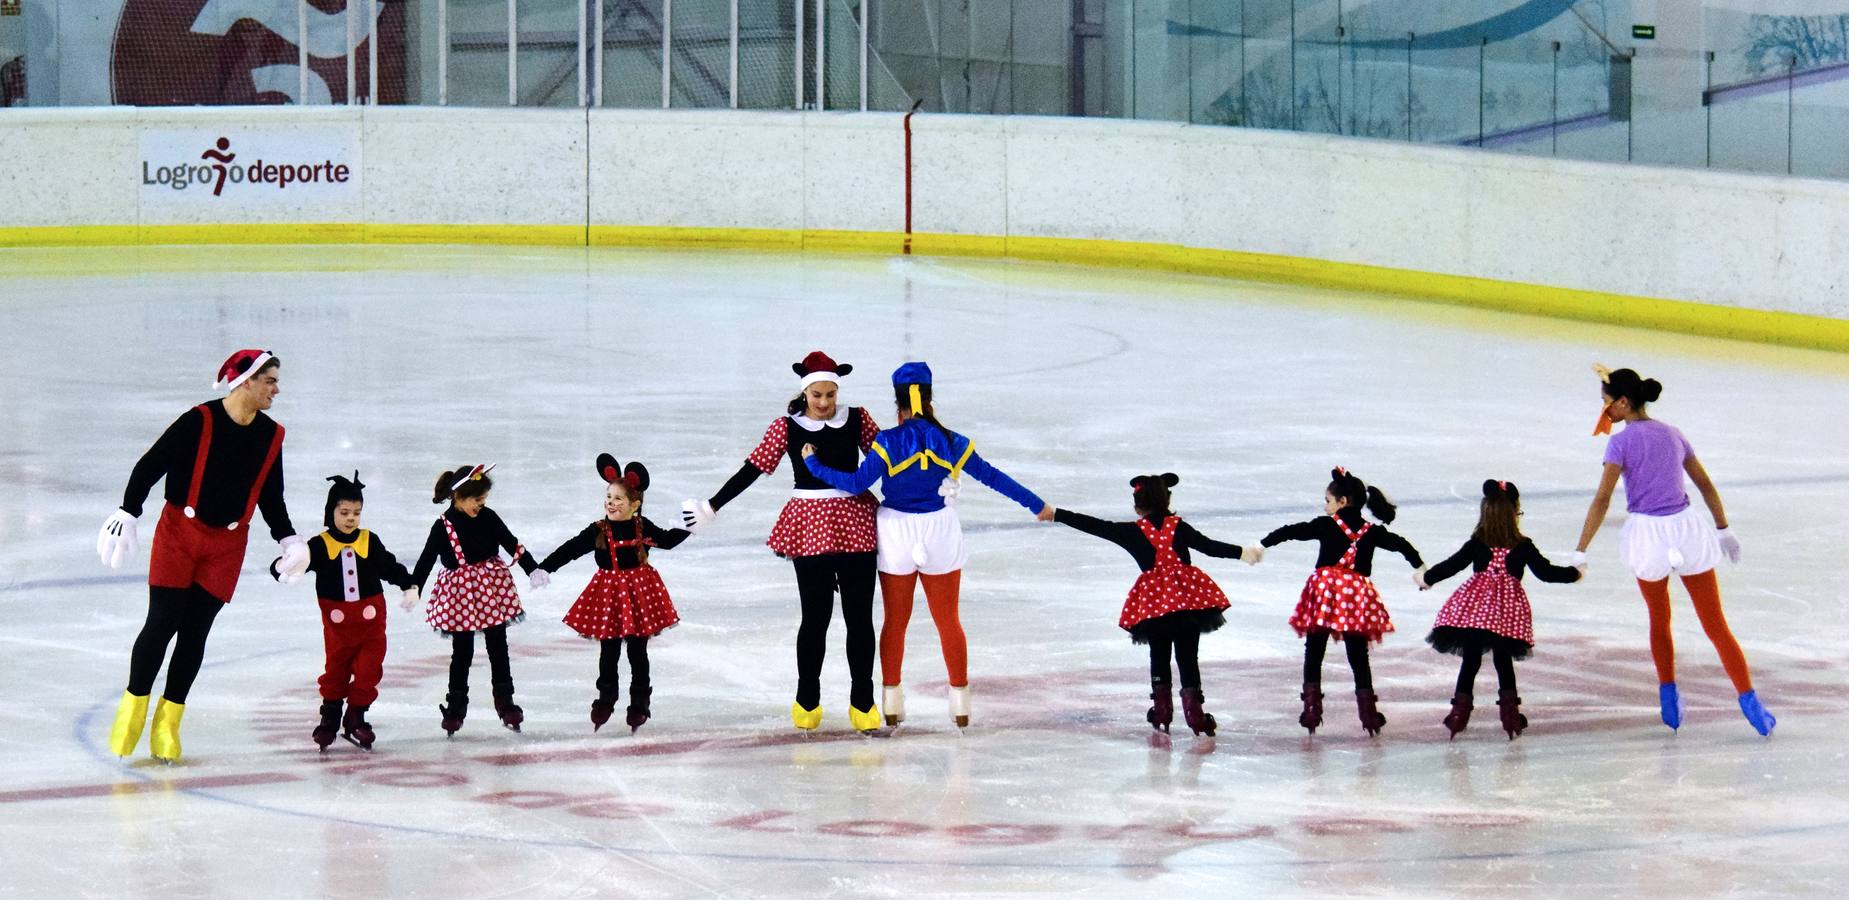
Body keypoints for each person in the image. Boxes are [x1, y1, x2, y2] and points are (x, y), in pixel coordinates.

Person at [802, 361, 1045, 729]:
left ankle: (892, 701)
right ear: (930, 398)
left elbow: (853, 483)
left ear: (897, 401)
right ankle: (960, 704)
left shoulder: (887, 442)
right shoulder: (952, 441)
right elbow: (994, 477)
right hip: (940, 532)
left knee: (895, 623)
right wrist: (1036, 505)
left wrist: (815, 464)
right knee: (948, 621)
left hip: (897, 534)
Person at [99, 349, 307, 763]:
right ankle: (131, 713)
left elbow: (271, 496)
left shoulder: (271, 435)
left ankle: (167, 724)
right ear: (246, 381)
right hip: (179, 534)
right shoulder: (200, 420)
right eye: (270, 380)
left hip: (227, 547)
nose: (277, 389)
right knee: (162, 623)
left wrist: (289, 539)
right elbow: (150, 465)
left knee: (195, 634)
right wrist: (129, 510)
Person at [680, 351, 884, 732]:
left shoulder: (858, 419)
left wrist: (919, 491)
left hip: (856, 523)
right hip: (809, 526)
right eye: (816, 395)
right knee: (816, 618)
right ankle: (808, 700)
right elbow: (753, 469)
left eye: (830, 395)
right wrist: (713, 505)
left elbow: (889, 458)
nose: (824, 403)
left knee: (860, 619)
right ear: (805, 392)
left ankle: (863, 701)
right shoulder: (786, 427)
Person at [1573, 365, 1775, 735]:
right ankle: (1750, 700)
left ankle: (1668, 693)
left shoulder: (1619, 442)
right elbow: (1705, 486)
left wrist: (1581, 549)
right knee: (1715, 625)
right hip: (1687, 532)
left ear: (1622, 402)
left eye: (1607, 405)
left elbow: (1602, 499)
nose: (1605, 413)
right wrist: (1723, 529)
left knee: (1659, 618)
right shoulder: (1673, 434)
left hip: (1649, 537)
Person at [1041, 473, 1259, 736]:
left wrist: (1056, 514)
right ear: (1167, 499)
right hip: (1189, 602)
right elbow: (1209, 547)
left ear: (1138, 505)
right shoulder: (1179, 526)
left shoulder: (1132, 532)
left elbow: (1096, 526)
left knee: (1159, 654)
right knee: (1188, 658)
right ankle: (1195, 714)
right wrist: (1242, 553)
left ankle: (1162, 709)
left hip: (1154, 606)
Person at [1260, 468, 1423, 737]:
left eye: (1328, 500)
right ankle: (1369, 714)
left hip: (1324, 593)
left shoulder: (1326, 525)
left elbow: (1291, 531)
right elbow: (1401, 544)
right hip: (1354, 596)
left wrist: (1262, 544)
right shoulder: (1372, 532)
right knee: (1358, 655)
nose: (1326, 506)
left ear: (1343, 501)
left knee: (1314, 650)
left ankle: (1312, 710)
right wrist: (1420, 568)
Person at [539, 455, 691, 733]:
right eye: (609, 496)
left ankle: (640, 701)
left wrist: (689, 524)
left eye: (619, 499)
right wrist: (544, 568)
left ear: (635, 505)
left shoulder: (641, 526)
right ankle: (607, 696)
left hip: (638, 592)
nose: (611, 502)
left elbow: (667, 541)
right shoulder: (599, 529)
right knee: (608, 650)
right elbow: (571, 548)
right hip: (607, 594)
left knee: (637, 650)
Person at [1418, 479, 1581, 739]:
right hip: (1507, 616)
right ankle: (1510, 717)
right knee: (1503, 661)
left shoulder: (1478, 542)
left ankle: (1459, 715)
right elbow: (1546, 573)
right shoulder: (1522, 546)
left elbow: (1453, 564)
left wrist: (1427, 578)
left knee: (1470, 660)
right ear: (1514, 513)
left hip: (1475, 612)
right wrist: (1574, 574)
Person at [410, 464, 547, 735]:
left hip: (490, 588)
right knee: (463, 651)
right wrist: (413, 587)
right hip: (460, 593)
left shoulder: (488, 517)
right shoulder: (442, 526)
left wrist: (532, 568)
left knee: (498, 644)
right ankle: (456, 706)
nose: (481, 505)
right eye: (476, 500)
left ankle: (505, 701)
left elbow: (511, 542)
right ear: (458, 496)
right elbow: (426, 559)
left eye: (484, 500)